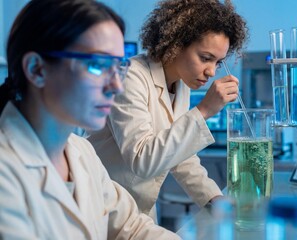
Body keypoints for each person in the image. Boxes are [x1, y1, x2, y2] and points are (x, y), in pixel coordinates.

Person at [0, 0, 180, 239]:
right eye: (97, 65)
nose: (116, 86)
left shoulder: (81, 152)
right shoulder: (6, 171)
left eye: (118, 67)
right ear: (36, 69)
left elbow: (132, 228)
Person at [88, 0, 248, 222]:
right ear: (175, 44)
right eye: (205, 58)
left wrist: (213, 198)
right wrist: (204, 110)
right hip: (104, 212)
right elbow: (142, 160)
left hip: (139, 214)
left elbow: (180, 154)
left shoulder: (179, 83)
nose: (211, 71)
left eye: (218, 62)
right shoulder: (132, 77)